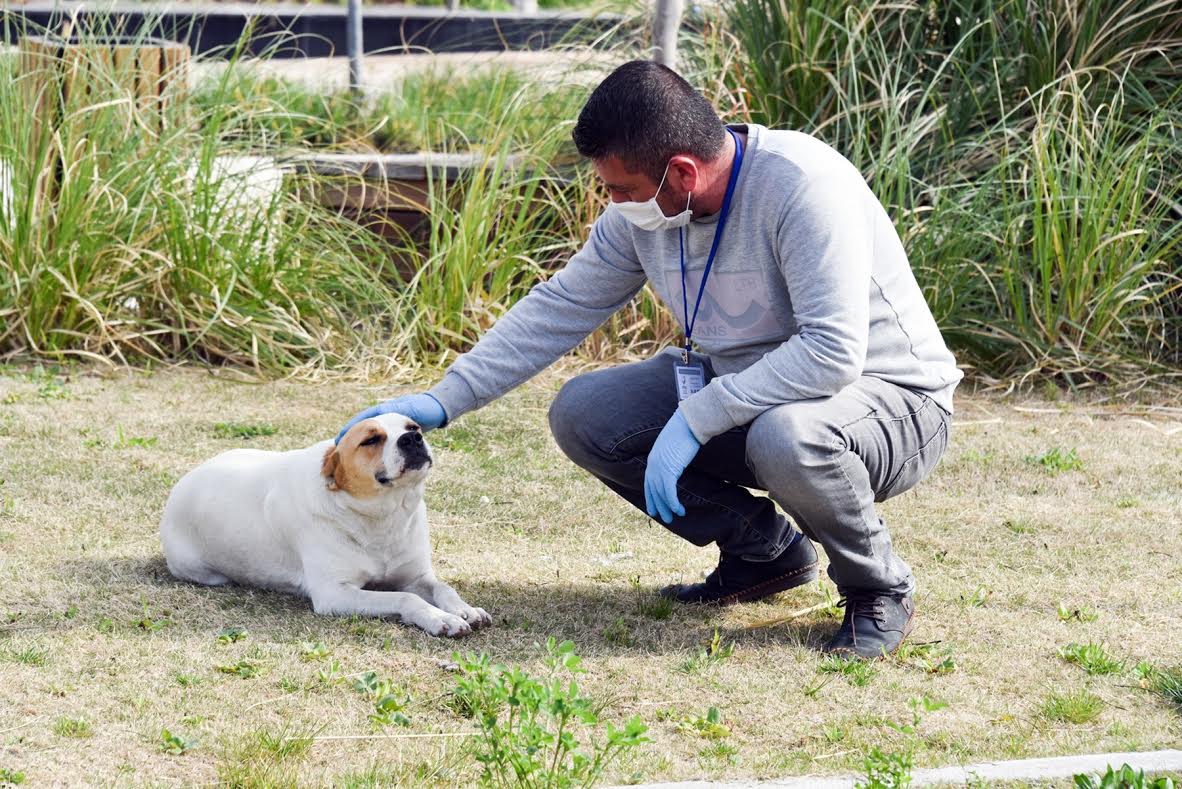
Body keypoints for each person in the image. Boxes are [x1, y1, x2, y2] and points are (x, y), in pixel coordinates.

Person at [337, 60, 962, 658]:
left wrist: (696, 419)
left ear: (682, 174)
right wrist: (446, 396)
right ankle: (763, 552)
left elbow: (831, 353)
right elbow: (562, 305)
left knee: (785, 435)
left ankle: (876, 586)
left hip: (889, 399)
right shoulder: (645, 213)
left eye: (621, 189)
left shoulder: (803, 188)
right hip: (748, 387)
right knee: (586, 412)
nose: (613, 202)